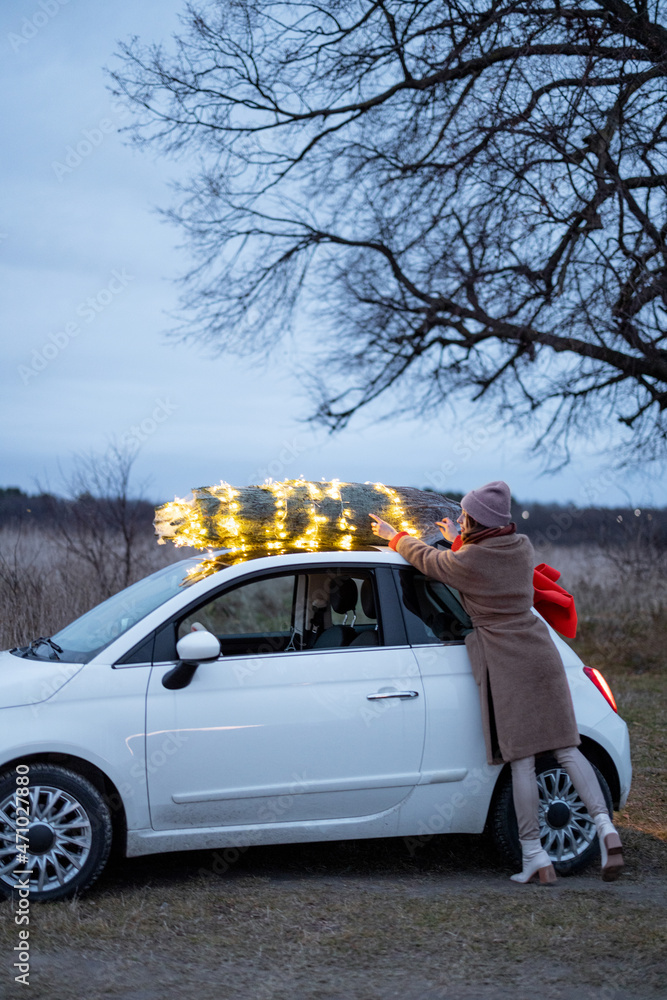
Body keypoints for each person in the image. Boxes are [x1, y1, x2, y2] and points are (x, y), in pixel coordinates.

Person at [370, 480, 624, 884]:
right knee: (567, 747)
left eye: (465, 516)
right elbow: (476, 566)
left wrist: (395, 536)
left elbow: (429, 561)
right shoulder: (520, 549)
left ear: (477, 521)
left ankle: (534, 856)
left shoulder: (469, 562)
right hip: (542, 652)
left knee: (521, 760)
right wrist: (457, 541)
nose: (460, 520)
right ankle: (605, 829)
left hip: (506, 659)